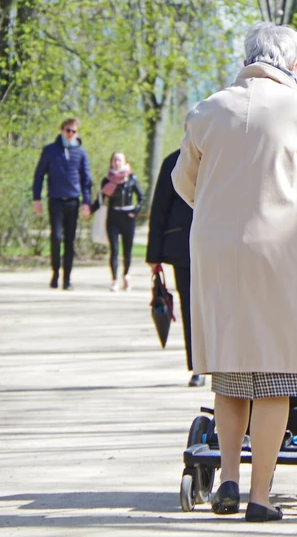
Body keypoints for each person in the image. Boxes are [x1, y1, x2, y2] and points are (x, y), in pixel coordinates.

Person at [172, 22, 297, 523]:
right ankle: (260, 495)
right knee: (275, 375)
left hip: (216, 252)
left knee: (229, 371)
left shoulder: (208, 109)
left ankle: (227, 476)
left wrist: (218, 210)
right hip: (276, 251)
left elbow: (183, 183)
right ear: (291, 64)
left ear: (248, 57)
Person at [146, 145, 202, 387]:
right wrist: (154, 255)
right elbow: (159, 209)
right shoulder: (173, 161)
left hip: (221, 246)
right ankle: (198, 366)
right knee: (190, 307)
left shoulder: (222, 155)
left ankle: (225, 367)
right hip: (183, 249)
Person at [32, 117, 93, 290]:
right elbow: (39, 176)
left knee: (70, 240)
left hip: (73, 201)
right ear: (61, 130)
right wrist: (37, 199)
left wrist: (86, 203)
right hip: (55, 200)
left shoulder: (81, 152)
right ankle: (55, 273)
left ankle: (67, 279)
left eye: (73, 131)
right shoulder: (50, 150)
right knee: (56, 237)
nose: (70, 134)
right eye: (67, 130)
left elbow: (86, 179)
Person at [95, 151, 144, 292]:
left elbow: (141, 197)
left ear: (125, 162)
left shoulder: (132, 178)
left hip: (128, 217)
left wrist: (135, 211)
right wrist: (89, 209)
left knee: (127, 250)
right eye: (114, 160)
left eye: (119, 160)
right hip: (113, 216)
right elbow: (100, 200)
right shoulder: (107, 180)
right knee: (114, 249)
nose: (117, 163)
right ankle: (114, 280)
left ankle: (126, 275)